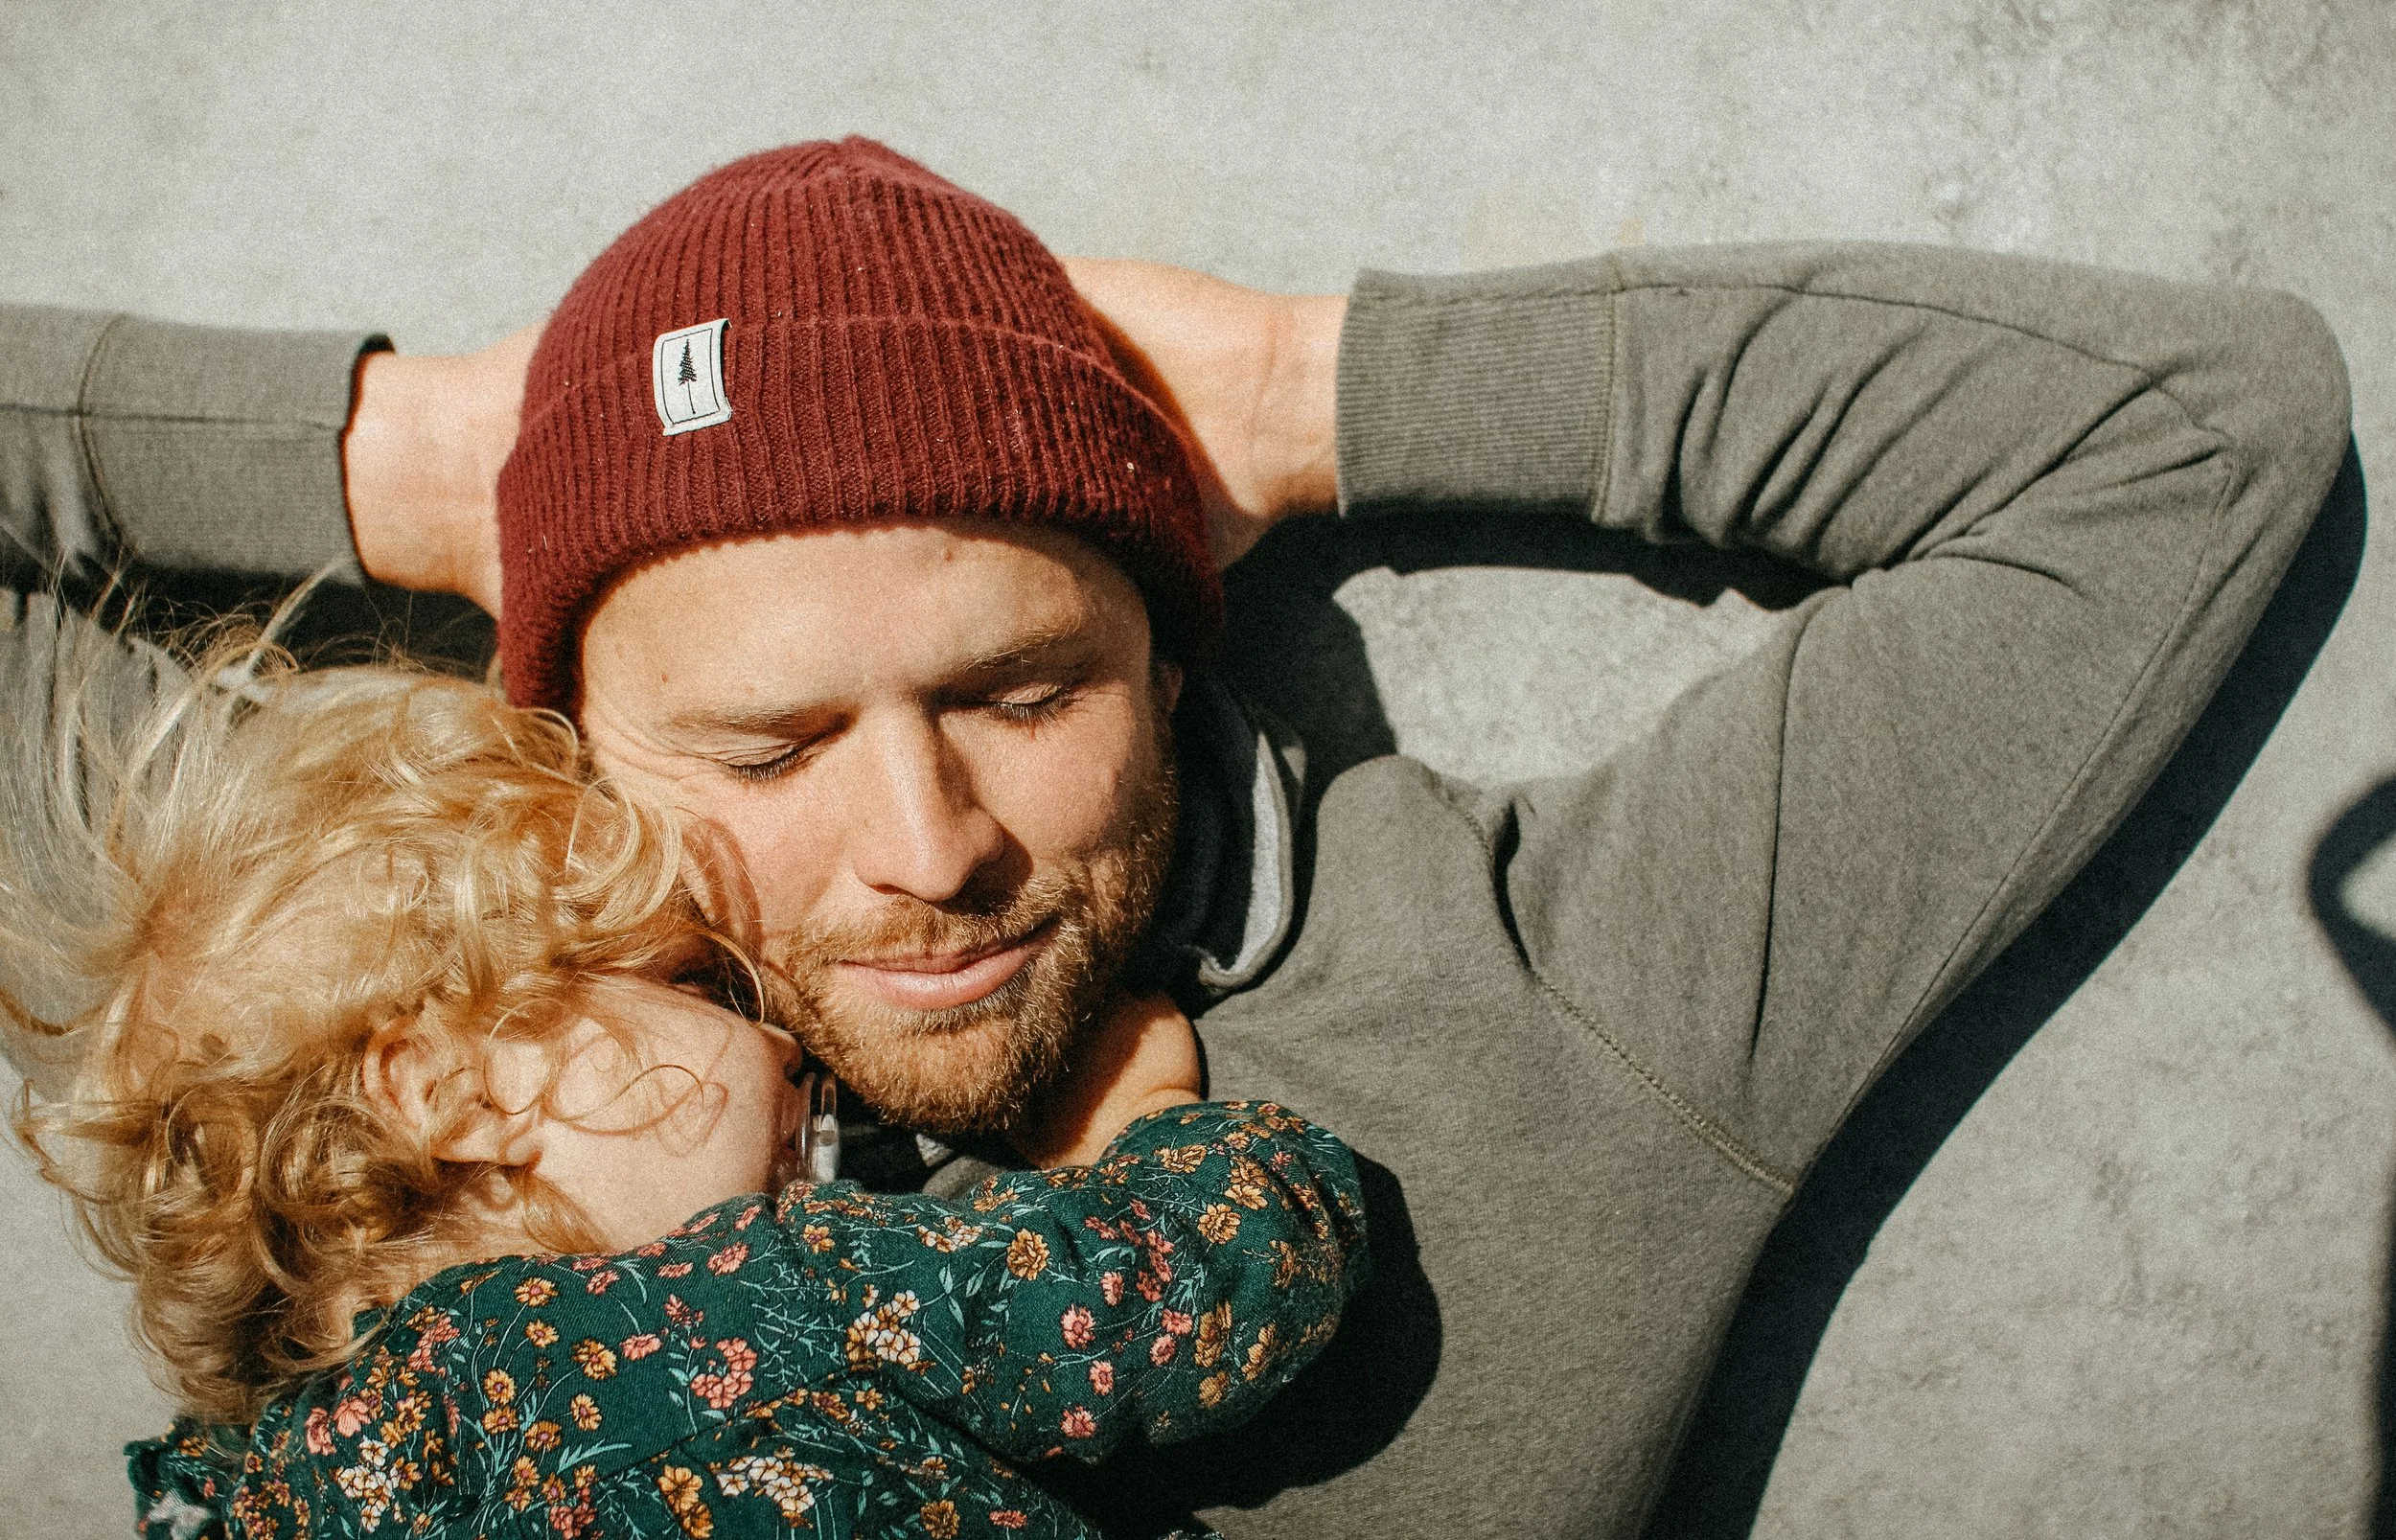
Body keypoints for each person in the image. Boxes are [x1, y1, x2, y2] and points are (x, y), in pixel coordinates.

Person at [0, 136, 2351, 1538]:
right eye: (763, 739)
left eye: (1022, 691)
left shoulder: (1576, 994)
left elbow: (2184, 429)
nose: (925, 846)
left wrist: (1302, 391)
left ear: (1165, 652)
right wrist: (415, 462)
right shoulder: (378, 995)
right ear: (565, 740)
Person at [2, 634, 1365, 1538]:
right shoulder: (726, 1307)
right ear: (454, 1092)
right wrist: (1151, 1129)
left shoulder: (260, 1492)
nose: (788, 1040)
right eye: (700, 985)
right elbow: (1171, 1301)